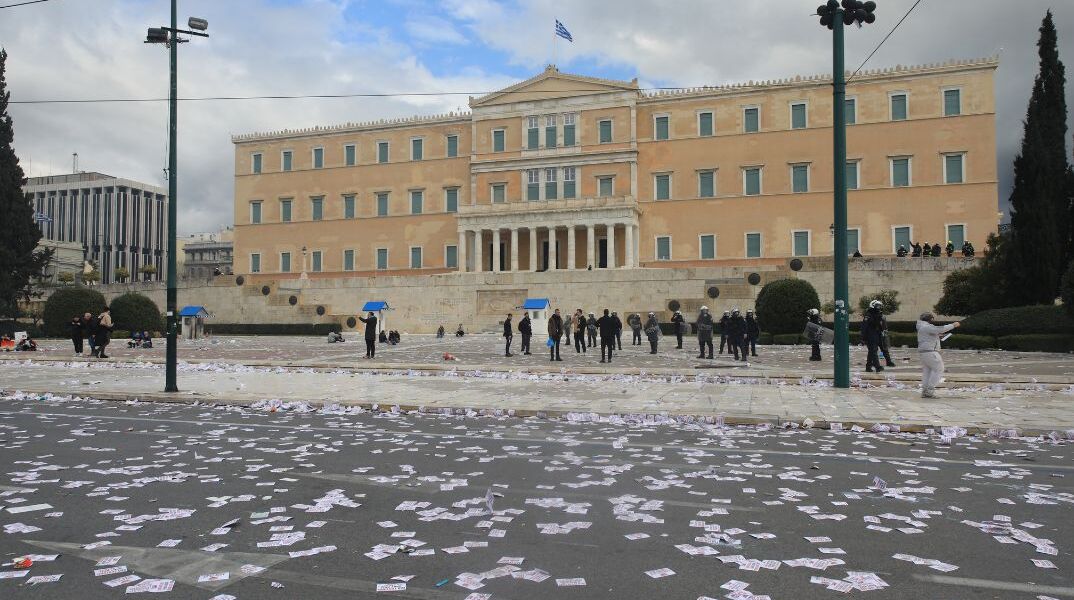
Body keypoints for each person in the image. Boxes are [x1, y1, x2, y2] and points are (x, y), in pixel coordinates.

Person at [916, 312, 960, 398]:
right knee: (939, 369)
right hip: (930, 352)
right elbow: (940, 329)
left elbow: (932, 334)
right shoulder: (926, 326)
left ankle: (925, 391)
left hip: (925, 352)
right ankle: (930, 391)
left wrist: (937, 337)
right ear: (930, 319)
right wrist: (953, 325)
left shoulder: (922, 326)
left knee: (928, 372)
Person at [861, 300, 885, 373]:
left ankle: (868, 367)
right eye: (877, 306)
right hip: (870, 336)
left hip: (876, 335)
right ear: (872, 305)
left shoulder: (877, 314)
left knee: (872, 352)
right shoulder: (868, 314)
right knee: (873, 351)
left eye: (879, 306)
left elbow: (879, 325)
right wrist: (863, 337)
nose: (878, 307)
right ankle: (877, 366)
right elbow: (864, 326)